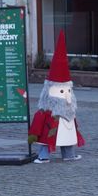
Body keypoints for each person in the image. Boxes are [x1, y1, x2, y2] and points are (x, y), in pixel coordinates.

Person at [28, 30, 85, 163]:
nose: (66, 95)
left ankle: (69, 154)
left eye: (68, 91)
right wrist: (33, 134)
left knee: (67, 138)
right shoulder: (46, 111)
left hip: (66, 127)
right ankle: (44, 156)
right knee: (46, 139)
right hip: (50, 129)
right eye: (62, 91)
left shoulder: (69, 109)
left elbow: (74, 123)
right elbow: (38, 122)